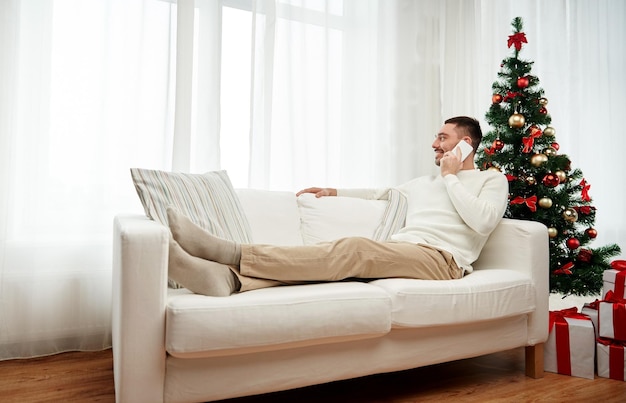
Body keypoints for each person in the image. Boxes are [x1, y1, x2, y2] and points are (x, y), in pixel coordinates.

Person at [167, 116, 509, 296]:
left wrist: (451, 177)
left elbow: (483, 222)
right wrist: (333, 190)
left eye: (442, 138)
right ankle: (228, 280)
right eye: (436, 137)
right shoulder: (422, 183)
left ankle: (232, 253)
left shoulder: (490, 180)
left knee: (354, 249)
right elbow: (380, 193)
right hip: (403, 250)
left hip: (443, 261)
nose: (434, 144)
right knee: (329, 266)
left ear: (465, 144)